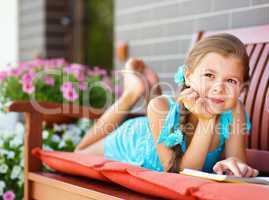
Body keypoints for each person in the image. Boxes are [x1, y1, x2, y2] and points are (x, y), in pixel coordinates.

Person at [75, 33, 259, 177]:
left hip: (159, 121)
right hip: (133, 140)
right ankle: (132, 92)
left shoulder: (234, 110)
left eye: (231, 81)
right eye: (209, 75)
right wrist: (206, 121)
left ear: (242, 87)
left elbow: (237, 162)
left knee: (159, 106)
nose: (219, 88)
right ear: (188, 76)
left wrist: (234, 166)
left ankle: (147, 88)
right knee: (78, 153)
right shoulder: (160, 108)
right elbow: (181, 175)